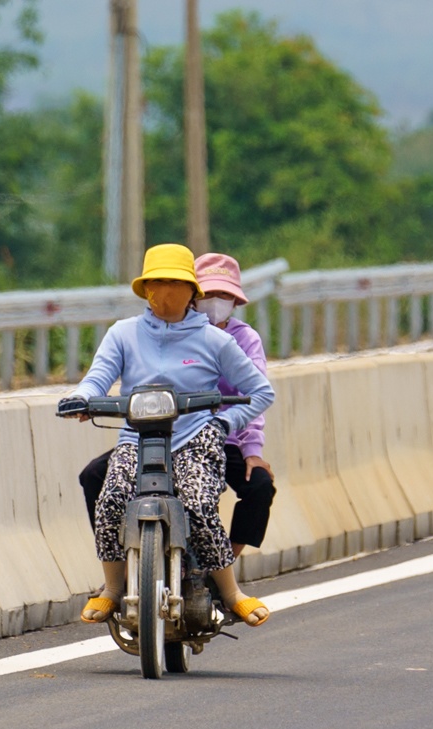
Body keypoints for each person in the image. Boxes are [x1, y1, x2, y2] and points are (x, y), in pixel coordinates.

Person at [59, 243, 275, 626]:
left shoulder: (217, 340)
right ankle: (112, 587)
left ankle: (230, 591)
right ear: (144, 289)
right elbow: (97, 378)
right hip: (137, 438)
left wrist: (225, 423)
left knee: (199, 503)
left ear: (192, 291)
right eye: (156, 283)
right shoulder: (123, 333)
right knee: (110, 499)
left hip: (197, 437)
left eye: (175, 283)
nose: (165, 292)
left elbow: (261, 392)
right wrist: (81, 399)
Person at [193, 251, 278, 560]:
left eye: (224, 295)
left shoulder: (244, 339)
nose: (216, 301)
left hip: (226, 437)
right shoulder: (180, 333)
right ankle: (123, 573)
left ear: (235, 301)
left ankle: (225, 564)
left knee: (259, 487)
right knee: (99, 476)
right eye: (209, 294)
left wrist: (252, 451)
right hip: (177, 435)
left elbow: (256, 395)